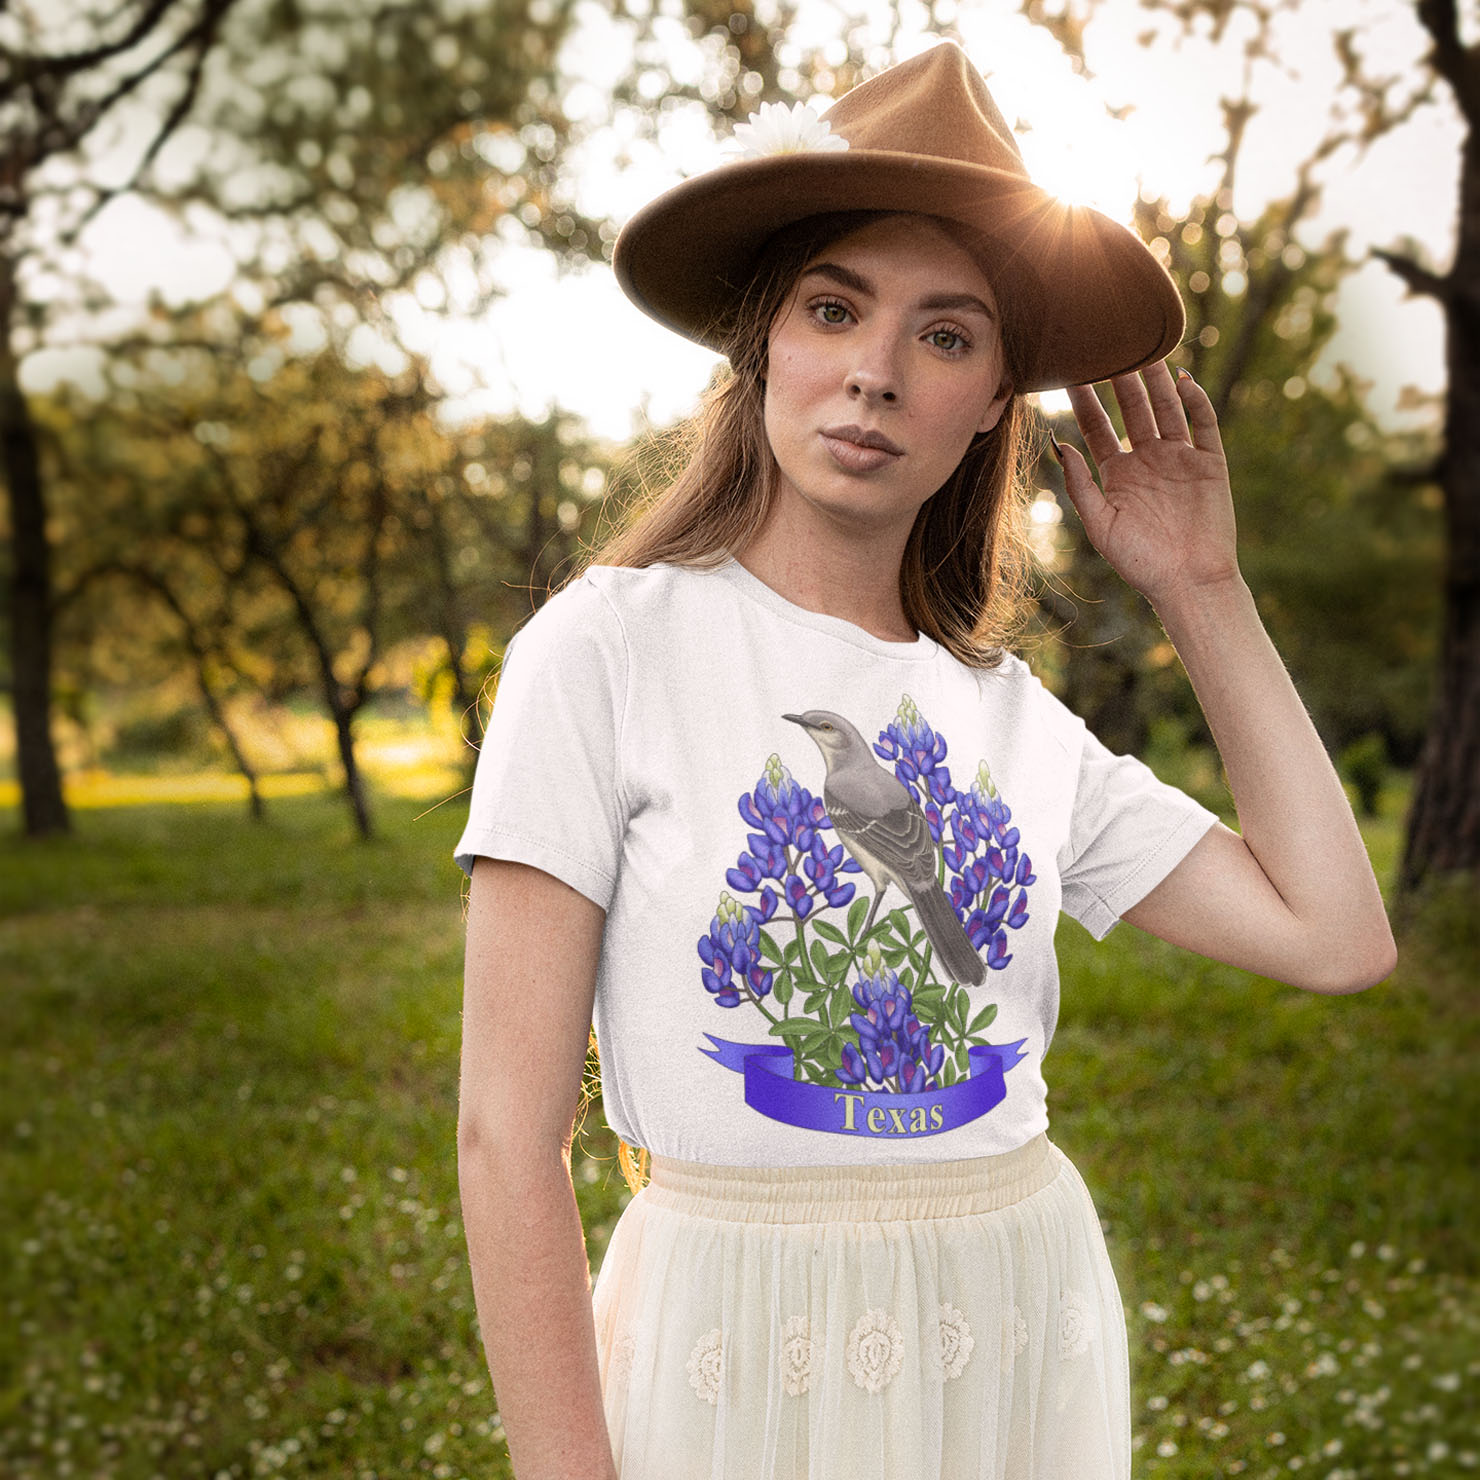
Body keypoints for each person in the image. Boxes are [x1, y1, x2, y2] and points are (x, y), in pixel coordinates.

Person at [453, 40, 1396, 1480]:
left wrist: (1202, 589)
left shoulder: (1014, 718)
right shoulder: (605, 653)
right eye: (837, 309)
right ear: (765, 338)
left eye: (946, 337)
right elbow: (503, 1142)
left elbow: (1333, 936)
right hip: (734, 1346)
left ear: (989, 405)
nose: (878, 375)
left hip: (1011, 1327)